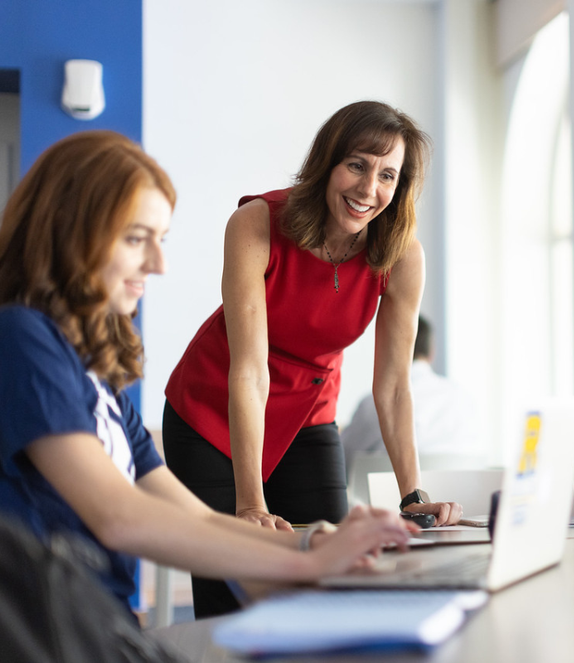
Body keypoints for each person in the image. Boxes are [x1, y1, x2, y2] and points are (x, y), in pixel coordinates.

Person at [0, 130, 418, 618]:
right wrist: (304, 557)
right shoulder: (21, 338)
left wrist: (309, 547)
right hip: (57, 630)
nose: (159, 264)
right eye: (137, 238)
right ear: (69, 229)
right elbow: (120, 517)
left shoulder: (98, 380)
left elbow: (196, 518)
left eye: (160, 240)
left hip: (98, 622)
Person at [162, 101, 461, 618]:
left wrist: (412, 495)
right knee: (232, 584)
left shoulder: (401, 255)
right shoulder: (256, 224)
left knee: (333, 578)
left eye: (388, 174)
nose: (369, 189)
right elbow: (250, 371)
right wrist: (251, 504)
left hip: (308, 412)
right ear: (328, 162)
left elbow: (393, 386)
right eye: (357, 164)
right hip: (214, 410)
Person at [341, 315, 482, 473]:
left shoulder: (373, 403)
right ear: (431, 351)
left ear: (386, 348)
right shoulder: (463, 397)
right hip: (459, 494)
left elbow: (343, 459)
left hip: (388, 495)